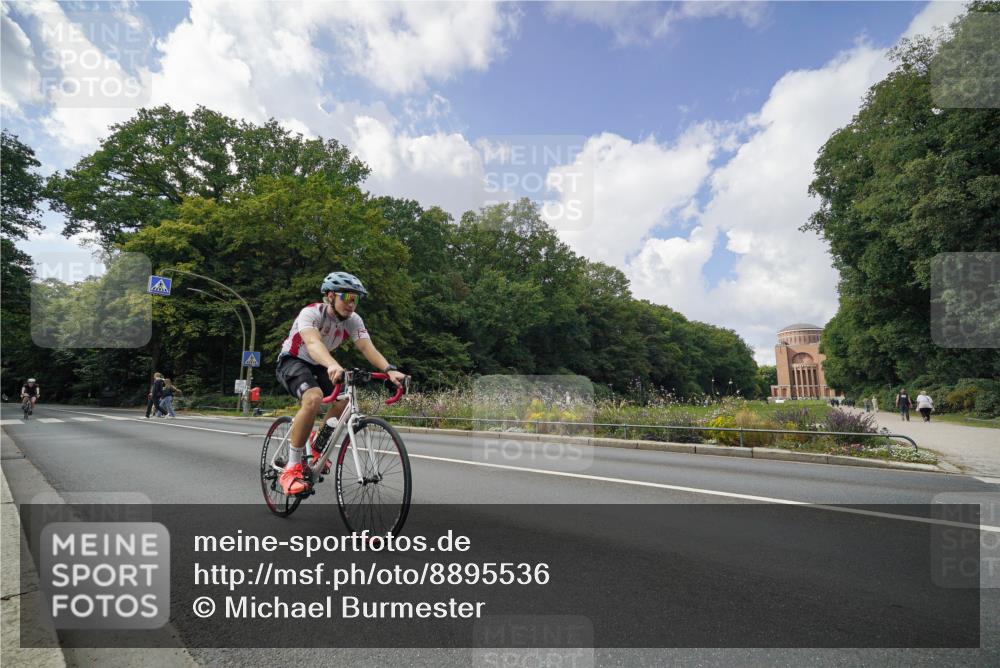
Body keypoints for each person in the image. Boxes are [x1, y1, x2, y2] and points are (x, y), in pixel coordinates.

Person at [274, 271, 406, 496]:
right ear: (330, 295)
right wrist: (332, 365)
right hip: (294, 360)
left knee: (344, 400)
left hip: (322, 363)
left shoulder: (353, 320)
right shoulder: (311, 313)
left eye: (356, 299)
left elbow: (367, 347)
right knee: (313, 398)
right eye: (347, 297)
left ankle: (317, 445)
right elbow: (313, 343)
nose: (352, 304)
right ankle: (292, 467)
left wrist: (389, 370)